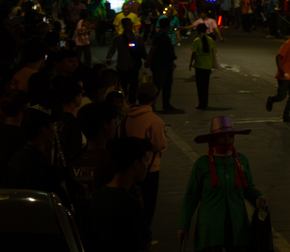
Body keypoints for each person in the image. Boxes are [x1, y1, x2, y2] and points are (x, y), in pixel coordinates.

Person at [178, 116, 270, 252]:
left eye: (230, 135)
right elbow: (191, 197)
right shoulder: (202, 164)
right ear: (214, 140)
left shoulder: (241, 160)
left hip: (237, 226)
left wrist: (259, 198)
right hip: (210, 228)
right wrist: (183, 225)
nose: (228, 139)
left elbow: (249, 188)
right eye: (223, 136)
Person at [88, 137, 153, 252]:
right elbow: (145, 243)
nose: (148, 165)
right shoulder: (130, 202)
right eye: (146, 160)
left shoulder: (99, 195)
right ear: (135, 163)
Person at [0, 104, 73, 201]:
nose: (55, 129)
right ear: (44, 131)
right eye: (52, 124)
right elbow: (61, 201)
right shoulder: (41, 167)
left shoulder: (17, 158)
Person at [69, 101, 118, 233]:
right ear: (105, 125)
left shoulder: (73, 160)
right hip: (104, 231)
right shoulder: (112, 162)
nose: (116, 125)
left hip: (78, 229)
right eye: (114, 121)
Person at [125, 82, 167, 230]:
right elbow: (160, 145)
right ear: (154, 98)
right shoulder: (154, 120)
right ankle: (144, 237)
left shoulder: (129, 116)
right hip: (150, 166)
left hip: (130, 165)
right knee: (148, 203)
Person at [266, 24, 290, 123]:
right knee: (281, 96)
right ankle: (271, 99)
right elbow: (278, 57)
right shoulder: (287, 45)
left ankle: (286, 115)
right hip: (285, 76)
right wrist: (281, 70)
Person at [146, 21, 181, 113]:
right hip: (160, 64)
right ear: (167, 26)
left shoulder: (162, 35)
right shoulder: (160, 35)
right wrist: (148, 60)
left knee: (166, 84)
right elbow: (153, 48)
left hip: (165, 63)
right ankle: (152, 104)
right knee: (158, 85)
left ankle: (165, 104)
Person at [189, 23, 218, 110]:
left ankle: (201, 103)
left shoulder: (197, 41)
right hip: (208, 66)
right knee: (206, 85)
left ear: (198, 31)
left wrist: (190, 63)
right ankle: (205, 103)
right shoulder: (210, 40)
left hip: (199, 65)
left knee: (200, 86)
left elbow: (193, 53)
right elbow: (214, 52)